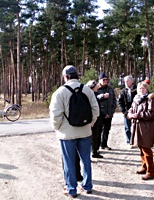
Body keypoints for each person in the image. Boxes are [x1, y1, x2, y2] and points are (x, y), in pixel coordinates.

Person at [49, 65, 100, 198]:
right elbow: (95, 110)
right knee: (86, 160)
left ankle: (71, 189)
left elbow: (55, 114)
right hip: (85, 132)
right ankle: (87, 186)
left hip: (67, 134)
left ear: (65, 77)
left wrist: (57, 127)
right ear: (78, 75)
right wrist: (90, 123)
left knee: (69, 162)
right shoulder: (87, 90)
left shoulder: (60, 92)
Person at [127, 81, 154, 180]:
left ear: (147, 89)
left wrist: (139, 115)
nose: (141, 90)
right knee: (140, 147)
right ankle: (144, 166)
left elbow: (152, 114)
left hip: (147, 127)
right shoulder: (136, 99)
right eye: (140, 88)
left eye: (143, 88)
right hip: (137, 126)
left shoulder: (150, 99)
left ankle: (151, 172)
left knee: (146, 148)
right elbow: (131, 110)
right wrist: (130, 115)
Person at [97, 72, 117, 150]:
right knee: (99, 130)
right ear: (100, 80)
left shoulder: (110, 89)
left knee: (107, 129)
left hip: (109, 112)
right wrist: (102, 96)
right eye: (103, 79)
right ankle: (96, 146)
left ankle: (104, 144)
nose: (105, 81)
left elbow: (114, 99)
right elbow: (94, 98)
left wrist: (113, 108)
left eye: (106, 79)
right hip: (101, 113)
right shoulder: (97, 89)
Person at [118, 75, 137, 147]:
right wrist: (125, 112)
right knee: (127, 128)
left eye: (127, 81)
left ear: (132, 81)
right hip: (126, 112)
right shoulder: (123, 91)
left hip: (136, 112)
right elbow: (120, 103)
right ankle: (129, 142)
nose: (126, 82)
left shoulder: (137, 89)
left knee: (137, 127)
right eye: (125, 81)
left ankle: (139, 141)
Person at [86, 80, 104, 158]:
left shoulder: (94, 95)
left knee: (96, 136)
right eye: (96, 86)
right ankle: (94, 152)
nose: (97, 87)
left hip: (97, 119)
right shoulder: (91, 96)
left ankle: (95, 150)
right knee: (93, 137)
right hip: (94, 120)